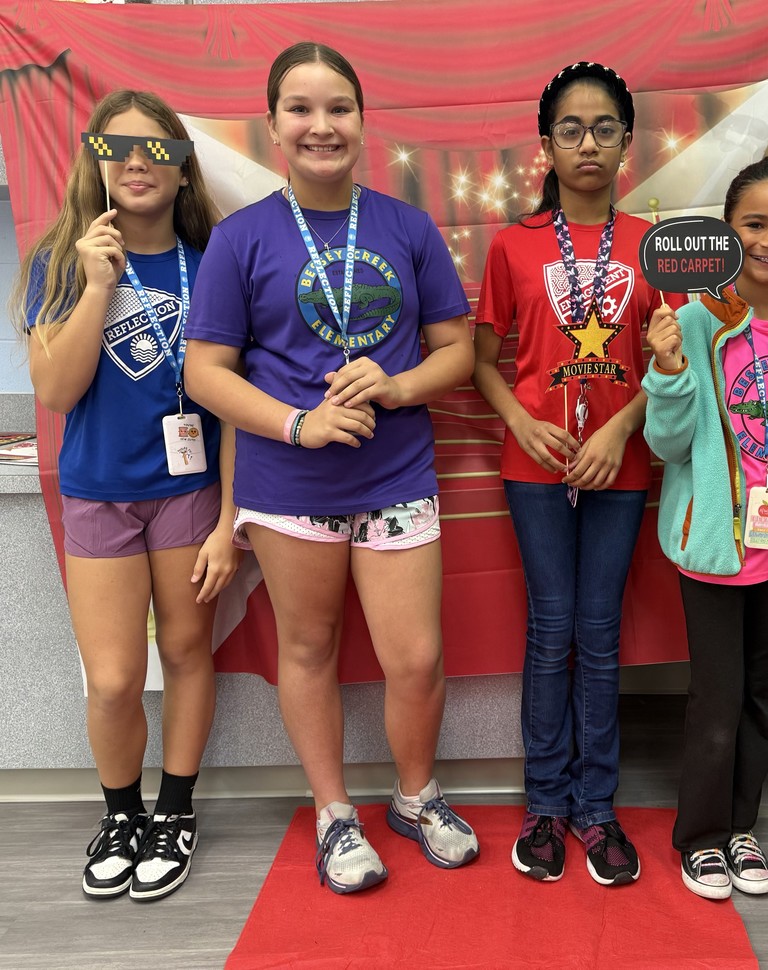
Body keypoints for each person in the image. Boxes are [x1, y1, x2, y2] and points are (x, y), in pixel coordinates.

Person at [183, 42, 479, 895]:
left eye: (339, 108)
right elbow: (205, 373)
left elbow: (456, 353)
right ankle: (334, 814)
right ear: (273, 125)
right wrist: (296, 423)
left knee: (416, 659)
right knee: (308, 650)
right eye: (302, 109)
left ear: (361, 119)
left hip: (395, 477)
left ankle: (417, 799)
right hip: (289, 486)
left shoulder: (406, 226)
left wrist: (396, 384)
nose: (322, 125)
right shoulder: (241, 240)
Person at [13, 90, 238, 901]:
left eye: (158, 150)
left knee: (186, 653)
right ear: (97, 162)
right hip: (100, 495)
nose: (138, 162)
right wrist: (98, 284)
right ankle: (122, 814)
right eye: (120, 148)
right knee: (111, 678)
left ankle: (175, 812)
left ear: (183, 169)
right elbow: (59, 392)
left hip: (189, 495)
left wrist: (228, 520)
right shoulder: (56, 260)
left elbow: (235, 408)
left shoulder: (215, 262)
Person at [474, 61, 663, 886]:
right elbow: (483, 361)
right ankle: (545, 807)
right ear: (545, 144)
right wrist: (520, 419)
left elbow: (674, 369)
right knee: (550, 633)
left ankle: (598, 809)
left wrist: (621, 429)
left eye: (605, 129)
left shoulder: (657, 246)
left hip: (620, 463)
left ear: (628, 141)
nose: (588, 144)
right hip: (535, 464)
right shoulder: (514, 243)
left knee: (600, 634)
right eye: (571, 130)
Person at [643, 157, 768, 899]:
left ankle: (742, 824)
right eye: (755, 224)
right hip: (715, 545)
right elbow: (667, 444)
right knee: (716, 695)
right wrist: (666, 370)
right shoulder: (694, 321)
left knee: (762, 690)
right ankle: (701, 836)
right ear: (727, 233)